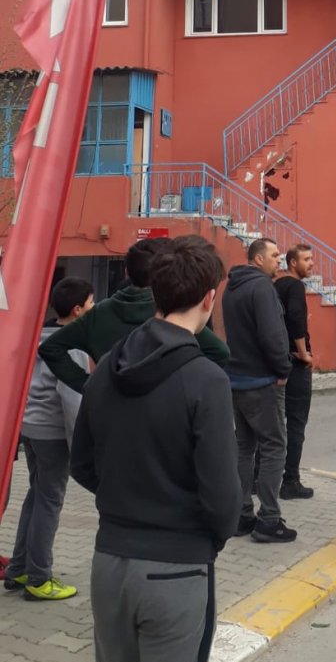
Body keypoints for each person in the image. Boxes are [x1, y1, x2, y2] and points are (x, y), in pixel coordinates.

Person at [70, 235, 241, 662]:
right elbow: (223, 498)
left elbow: (82, 462)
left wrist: (126, 499)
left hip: (109, 565)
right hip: (178, 569)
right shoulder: (206, 379)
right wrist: (205, 532)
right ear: (210, 296)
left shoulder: (107, 369)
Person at [39, 237, 229, 390]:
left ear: (127, 272)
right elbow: (219, 352)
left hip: (112, 410)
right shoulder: (170, 314)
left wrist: (87, 384)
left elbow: (50, 347)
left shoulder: (99, 313)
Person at [4, 277, 94, 601]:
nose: (93, 309)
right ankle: (40, 577)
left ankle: (19, 568)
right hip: (54, 433)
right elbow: (72, 400)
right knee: (50, 502)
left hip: (29, 427)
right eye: (92, 303)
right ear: (78, 309)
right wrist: (80, 445)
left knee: (36, 496)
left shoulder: (38, 335)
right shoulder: (73, 344)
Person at [222, 238, 296, 543]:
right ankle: (269, 519)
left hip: (236, 378)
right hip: (261, 381)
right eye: (274, 255)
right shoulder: (262, 288)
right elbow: (273, 334)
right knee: (274, 447)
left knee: (243, 447)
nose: (279, 260)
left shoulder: (232, 288)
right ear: (257, 259)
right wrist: (283, 369)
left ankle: (242, 515)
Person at [274, 243, 315, 500]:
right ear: (292, 263)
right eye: (307, 259)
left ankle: (257, 476)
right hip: (295, 362)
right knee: (297, 422)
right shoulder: (295, 286)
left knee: (274, 422)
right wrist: (303, 353)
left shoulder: (275, 285)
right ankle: (291, 480)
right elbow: (296, 321)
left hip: (276, 360)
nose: (311, 263)